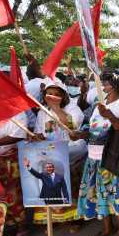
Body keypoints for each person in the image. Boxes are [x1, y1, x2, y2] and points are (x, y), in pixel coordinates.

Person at [75, 72, 119, 236]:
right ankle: (108, 229)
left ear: (116, 86)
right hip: (94, 160)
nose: (103, 88)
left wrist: (109, 115)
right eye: (102, 84)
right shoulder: (97, 107)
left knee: (117, 197)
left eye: (107, 84)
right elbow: (93, 130)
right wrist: (80, 134)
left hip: (115, 160)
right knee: (102, 196)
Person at [32, 80, 86, 227]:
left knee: (70, 187)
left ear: (64, 96)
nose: (53, 97)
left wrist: (56, 108)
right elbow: (39, 132)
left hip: (71, 153)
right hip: (51, 155)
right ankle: (54, 218)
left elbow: (72, 127)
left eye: (57, 95)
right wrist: (38, 137)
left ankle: (76, 219)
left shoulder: (73, 108)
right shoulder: (43, 113)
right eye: (49, 94)